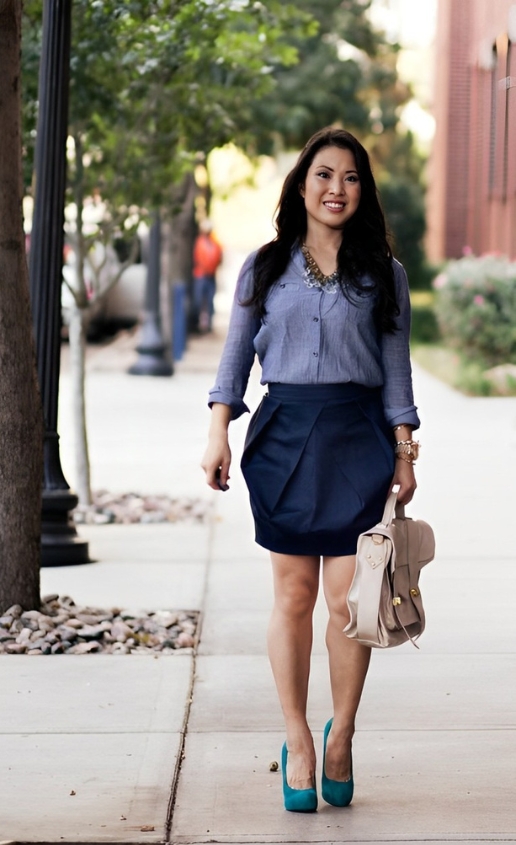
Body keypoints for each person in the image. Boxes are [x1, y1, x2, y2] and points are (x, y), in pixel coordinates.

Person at [201, 127, 420, 813]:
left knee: (350, 603)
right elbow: (235, 359)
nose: (336, 188)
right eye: (324, 175)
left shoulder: (385, 273)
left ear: (363, 191)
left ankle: (342, 732)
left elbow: (395, 372)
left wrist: (405, 449)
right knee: (293, 596)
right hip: (285, 436)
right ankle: (297, 735)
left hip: (358, 440)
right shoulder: (264, 267)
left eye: (351, 178)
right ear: (302, 184)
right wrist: (218, 432)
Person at [192, 219, 223, 332]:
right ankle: (198, 324)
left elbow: (219, 257)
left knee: (210, 301)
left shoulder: (215, 243)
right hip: (201, 275)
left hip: (210, 275)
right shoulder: (199, 242)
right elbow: (197, 258)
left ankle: (208, 325)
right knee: (198, 301)